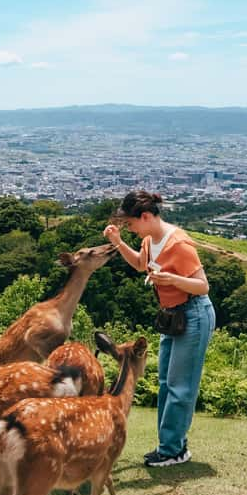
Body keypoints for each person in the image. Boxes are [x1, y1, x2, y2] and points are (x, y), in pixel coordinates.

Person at [103, 191, 215, 467]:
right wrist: (118, 244)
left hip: (194, 313)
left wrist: (172, 279)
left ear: (146, 216)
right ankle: (172, 444)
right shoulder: (149, 240)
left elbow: (203, 286)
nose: (130, 229)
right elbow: (142, 265)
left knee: (180, 386)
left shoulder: (178, 244)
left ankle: (172, 450)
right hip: (173, 315)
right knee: (166, 381)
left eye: (130, 224)